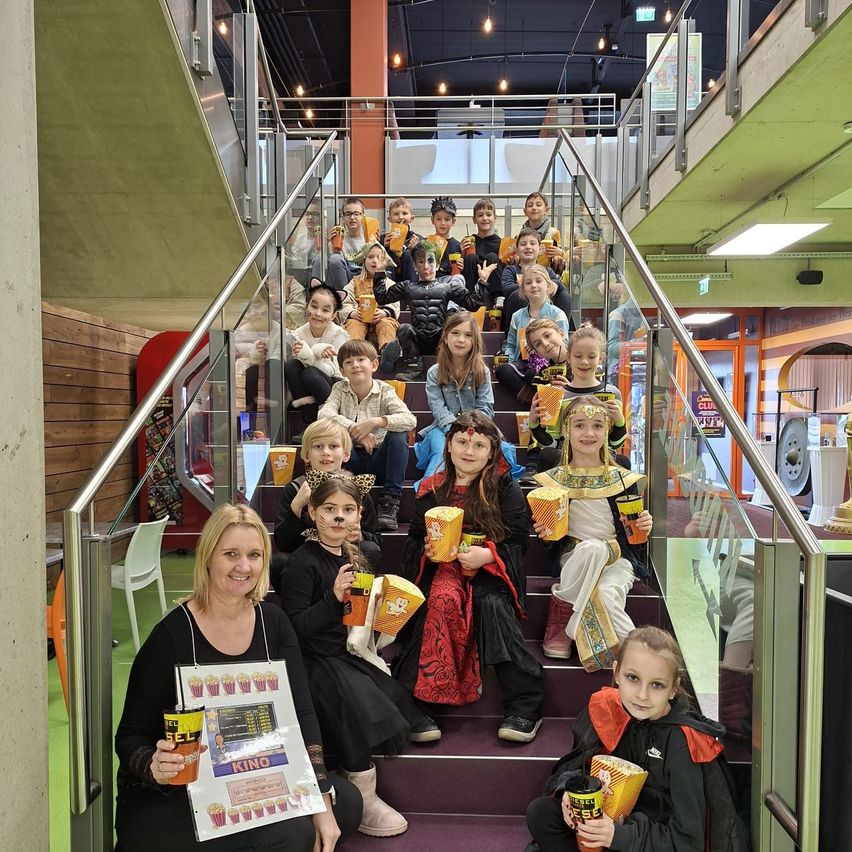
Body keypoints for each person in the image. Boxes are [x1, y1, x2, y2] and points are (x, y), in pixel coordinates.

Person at [114, 503, 362, 852]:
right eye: (230, 554)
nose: (243, 567)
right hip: (179, 791)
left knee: (345, 803)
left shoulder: (273, 624)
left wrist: (319, 793)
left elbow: (301, 714)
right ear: (208, 558)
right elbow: (129, 735)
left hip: (252, 780)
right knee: (295, 835)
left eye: (254, 555)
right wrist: (153, 765)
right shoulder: (171, 635)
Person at [280, 476, 437, 838]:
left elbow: (354, 618)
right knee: (350, 702)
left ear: (359, 515)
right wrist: (332, 598)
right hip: (313, 659)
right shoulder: (303, 562)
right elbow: (293, 627)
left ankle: (361, 787)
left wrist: (381, 611)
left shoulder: (354, 555)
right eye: (329, 510)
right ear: (313, 513)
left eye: (347, 510)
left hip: (343, 650)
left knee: (385, 690)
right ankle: (362, 791)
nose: (338, 518)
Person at [526, 626, 745, 852]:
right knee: (541, 814)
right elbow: (581, 767)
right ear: (616, 673)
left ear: (673, 689)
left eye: (657, 685)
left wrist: (619, 836)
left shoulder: (683, 743)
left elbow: (689, 842)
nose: (642, 695)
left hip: (648, 840)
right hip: (612, 820)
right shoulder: (610, 711)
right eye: (633, 678)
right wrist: (569, 795)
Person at [395, 411, 544, 743]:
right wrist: (428, 553)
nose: (469, 450)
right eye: (462, 441)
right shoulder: (431, 490)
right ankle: (418, 704)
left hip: (492, 571)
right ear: (448, 446)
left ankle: (524, 704)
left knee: (489, 604)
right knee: (439, 600)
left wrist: (488, 555)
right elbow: (415, 539)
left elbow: (519, 540)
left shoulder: (505, 488)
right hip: (441, 571)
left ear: (492, 452)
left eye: (479, 444)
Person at [532, 395, 651, 666]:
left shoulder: (621, 475)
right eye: (579, 425)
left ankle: (564, 612)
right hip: (574, 557)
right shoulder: (554, 475)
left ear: (608, 430)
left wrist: (644, 526)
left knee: (606, 581)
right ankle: (639, 658)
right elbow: (549, 539)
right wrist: (544, 531)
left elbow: (635, 536)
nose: (589, 433)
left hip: (617, 557)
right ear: (566, 431)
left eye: (597, 425)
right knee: (594, 560)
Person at [271, 418, 382, 589]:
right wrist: (296, 506)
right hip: (307, 562)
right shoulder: (295, 489)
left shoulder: (356, 489)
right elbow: (284, 544)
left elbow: (376, 539)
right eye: (318, 446)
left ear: (346, 454)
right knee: (278, 562)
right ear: (306, 455)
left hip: (344, 559)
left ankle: (357, 605)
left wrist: (360, 535)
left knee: (370, 549)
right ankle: (297, 608)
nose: (326, 452)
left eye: (333, 446)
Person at [318, 339, 416, 531]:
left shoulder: (385, 390)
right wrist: (357, 430)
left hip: (379, 461)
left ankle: (390, 502)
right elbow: (323, 414)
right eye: (348, 362)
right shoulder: (339, 389)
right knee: (330, 433)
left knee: (399, 435)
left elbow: (410, 419)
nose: (355, 365)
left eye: (361, 359)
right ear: (342, 370)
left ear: (373, 364)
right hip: (350, 460)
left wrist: (375, 422)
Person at [523, 322, 627, 484]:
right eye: (578, 356)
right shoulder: (557, 395)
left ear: (601, 358)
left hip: (601, 462)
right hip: (567, 463)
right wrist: (534, 424)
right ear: (569, 357)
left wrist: (620, 421)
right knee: (547, 456)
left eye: (591, 357)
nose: (584, 362)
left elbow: (615, 442)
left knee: (623, 462)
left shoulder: (612, 393)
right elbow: (552, 442)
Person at [374, 240, 484, 381]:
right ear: (414, 265)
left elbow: (472, 303)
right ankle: (413, 368)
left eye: (430, 261)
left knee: (452, 323)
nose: (426, 266)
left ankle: (448, 367)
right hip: (418, 338)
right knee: (404, 328)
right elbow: (382, 298)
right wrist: (379, 273)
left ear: (437, 264)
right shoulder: (407, 286)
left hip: (441, 338)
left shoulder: (447, 285)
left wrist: (482, 281)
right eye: (420, 261)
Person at [496, 264, 572, 400]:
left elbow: (564, 342)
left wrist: (541, 353)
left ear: (548, 286)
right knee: (503, 371)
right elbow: (511, 345)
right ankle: (532, 400)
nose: (534, 285)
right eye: (528, 283)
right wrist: (510, 361)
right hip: (522, 362)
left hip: (550, 361)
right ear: (523, 290)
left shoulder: (557, 314)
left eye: (538, 281)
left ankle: (541, 398)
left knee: (534, 373)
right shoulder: (517, 316)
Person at [283, 282, 349, 427]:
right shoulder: (298, 333)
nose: (318, 313)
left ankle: (331, 423)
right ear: (306, 307)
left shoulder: (338, 334)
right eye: (314, 306)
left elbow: (335, 372)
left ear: (333, 315)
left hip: (336, 388)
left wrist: (311, 355)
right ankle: (310, 423)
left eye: (325, 310)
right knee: (292, 365)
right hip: (310, 389)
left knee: (310, 373)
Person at [338, 241, 401, 374]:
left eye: (379, 258)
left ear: (385, 262)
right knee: (353, 324)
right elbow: (344, 302)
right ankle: (354, 352)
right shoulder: (354, 282)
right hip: (360, 318)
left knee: (387, 324)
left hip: (379, 319)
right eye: (371, 257)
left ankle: (387, 352)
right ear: (364, 260)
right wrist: (353, 313)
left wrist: (385, 312)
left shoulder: (389, 283)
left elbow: (395, 303)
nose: (375, 261)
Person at [501, 227, 572, 331]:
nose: (528, 247)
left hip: (544, 314)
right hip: (520, 315)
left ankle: (561, 331)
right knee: (518, 295)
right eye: (523, 244)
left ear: (540, 249)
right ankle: (516, 333)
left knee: (564, 295)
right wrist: (529, 287)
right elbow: (507, 288)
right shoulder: (511, 270)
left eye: (533, 243)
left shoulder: (546, 270)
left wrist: (554, 285)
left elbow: (558, 284)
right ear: (517, 249)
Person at [312, 197, 380, 294]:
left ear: (363, 217)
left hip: (364, 277)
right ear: (343, 218)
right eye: (348, 214)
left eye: (356, 214)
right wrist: (331, 246)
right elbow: (334, 266)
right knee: (335, 258)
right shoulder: (338, 238)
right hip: (344, 277)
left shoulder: (370, 236)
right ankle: (344, 298)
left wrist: (377, 246)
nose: (352, 217)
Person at [461, 197, 503, 301]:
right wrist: (462, 253)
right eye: (480, 215)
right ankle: (468, 297)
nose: (485, 218)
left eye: (488, 214)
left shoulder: (501, 242)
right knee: (471, 257)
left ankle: (499, 297)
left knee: (492, 257)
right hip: (473, 284)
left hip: (493, 285)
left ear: (495, 218)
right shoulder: (468, 241)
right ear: (474, 219)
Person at [380, 196, 420, 283]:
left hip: (410, 278)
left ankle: (411, 291)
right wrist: (384, 247)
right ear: (389, 219)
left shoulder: (417, 239)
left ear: (411, 218)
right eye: (396, 214)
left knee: (406, 254)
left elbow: (422, 264)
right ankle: (387, 289)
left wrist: (414, 250)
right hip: (390, 278)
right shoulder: (383, 239)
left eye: (405, 213)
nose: (400, 217)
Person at [426, 195, 463, 277]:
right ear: (432, 220)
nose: (443, 223)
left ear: (453, 221)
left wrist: (462, 266)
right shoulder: (425, 243)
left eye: (447, 219)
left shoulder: (458, 246)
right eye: (438, 219)